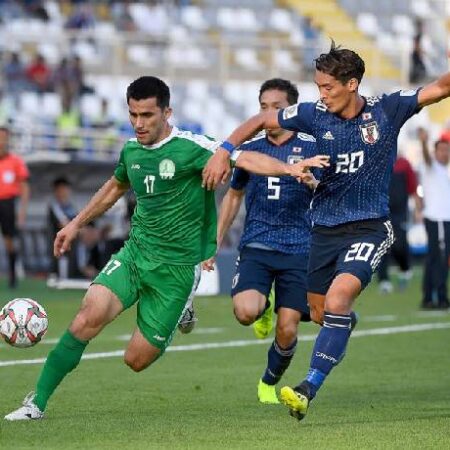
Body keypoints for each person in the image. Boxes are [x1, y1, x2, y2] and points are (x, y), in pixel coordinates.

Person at [4, 75, 328, 421]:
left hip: (176, 270)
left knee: (135, 360)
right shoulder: (131, 151)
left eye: (147, 116)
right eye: (133, 115)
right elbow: (114, 188)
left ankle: (182, 309)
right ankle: (36, 403)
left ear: (167, 112)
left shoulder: (192, 147)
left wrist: (288, 168)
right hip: (135, 255)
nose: (139, 124)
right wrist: (74, 224)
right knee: (87, 316)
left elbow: (246, 159)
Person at [203, 40, 450, 421]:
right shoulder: (313, 114)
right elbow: (261, 121)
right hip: (323, 231)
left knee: (337, 301)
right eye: (318, 87)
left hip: (369, 226)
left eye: (328, 87)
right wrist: (224, 149)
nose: (322, 95)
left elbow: (440, 88)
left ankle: (307, 388)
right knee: (323, 315)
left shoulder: (388, 109)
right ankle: (341, 323)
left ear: (352, 84)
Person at [203, 78, 322, 404]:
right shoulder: (250, 150)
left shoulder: (312, 148)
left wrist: (314, 183)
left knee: (288, 329)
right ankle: (263, 307)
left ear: (291, 111)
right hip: (257, 244)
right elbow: (233, 196)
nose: (269, 114)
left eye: (277, 108)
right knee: (245, 312)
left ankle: (269, 381)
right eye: (263, 108)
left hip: (300, 249)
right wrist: (215, 241)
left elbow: (329, 195)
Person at [377, 154, 421, 293]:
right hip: (381, 211)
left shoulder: (404, 164)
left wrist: (418, 210)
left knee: (399, 244)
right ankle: (384, 280)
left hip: (400, 212)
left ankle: (404, 269)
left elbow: (413, 187)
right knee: (382, 245)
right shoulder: (378, 162)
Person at [417, 127, 450, 309]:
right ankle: (441, 297)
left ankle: (429, 297)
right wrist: (423, 141)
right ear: (435, 152)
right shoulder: (430, 166)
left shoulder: (446, 170)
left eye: (447, 150)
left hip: (444, 219)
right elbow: (426, 156)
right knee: (440, 258)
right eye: (442, 150)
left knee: (434, 258)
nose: (446, 154)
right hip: (437, 219)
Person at [0, 126, 30, 289]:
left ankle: (12, 277)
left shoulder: (15, 161)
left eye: (4, 138)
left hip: (7, 204)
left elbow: (25, 187)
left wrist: (22, 213)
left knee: (9, 242)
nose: (1, 142)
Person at [47, 177, 79, 280]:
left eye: (65, 189)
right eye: (61, 189)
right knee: (60, 258)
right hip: (58, 239)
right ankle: (57, 276)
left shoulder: (71, 206)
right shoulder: (54, 205)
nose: (64, 192)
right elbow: (63, 223)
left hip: (72, 239)